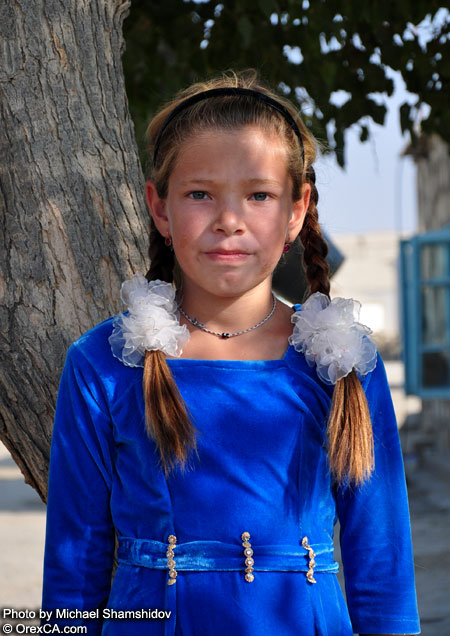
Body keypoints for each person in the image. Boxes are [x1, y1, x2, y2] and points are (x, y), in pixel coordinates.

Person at [42, 70, 420, 636]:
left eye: (259, 195)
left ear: (296, 211)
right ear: (160, 208)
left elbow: (383, 567)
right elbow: (73, 573)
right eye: (199, 194)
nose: (229, 221)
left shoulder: (339, 363)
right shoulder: (103, 364)